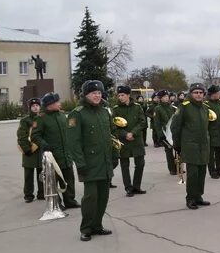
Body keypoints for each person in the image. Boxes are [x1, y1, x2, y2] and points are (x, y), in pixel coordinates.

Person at [67, 80, 115, 242]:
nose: (97, 96)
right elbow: (74, 143)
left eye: (99, 93)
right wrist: (80, 164)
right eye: (93, 93)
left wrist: (113, 155)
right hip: (89, 163)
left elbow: (110, 136)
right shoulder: (77, 114)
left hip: (105, 162)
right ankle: (86, 228)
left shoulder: (105, 112)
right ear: (86, 95)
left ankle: (97, 225)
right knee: (90, 198)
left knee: (103, 196)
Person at [32, 92, 80, 209]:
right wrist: (44, 145)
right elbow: (35, 136)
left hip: (66, 154)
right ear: (50, 105)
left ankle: (70, 201)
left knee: (69, 178)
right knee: (53, 180)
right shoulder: (41, 119)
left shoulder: (62, 115)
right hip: (52, 156)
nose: (60, 103)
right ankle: (57, 203)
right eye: (57, 102)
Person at [171, 83, 211, 210]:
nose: (198, 95)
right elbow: (175, 127)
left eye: (201, 92)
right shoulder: (184, 107)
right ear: (191, 94)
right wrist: (177, 144)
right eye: (196, 92)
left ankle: (199, 196)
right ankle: (190, 198)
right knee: (193, 174)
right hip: (190, 145)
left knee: (202, 172)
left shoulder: (205, 107)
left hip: (203, 145)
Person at [112, 85, 147, 197]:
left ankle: (137, 186)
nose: (120, 97)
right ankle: (128, 187)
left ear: (128, 95)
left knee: (140, 163)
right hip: (124, 141)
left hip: (136, 140)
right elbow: (114, 126)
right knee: (124, 165)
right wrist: (125, 134)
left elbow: (142, 122)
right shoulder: (116, 109)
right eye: (119, 95)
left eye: (122, 95)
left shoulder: (137, 107)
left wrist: (133, 133)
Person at [17, 98, 43, 203]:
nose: (35, 107)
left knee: (42, 174)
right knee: (28, 175)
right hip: (29, 150)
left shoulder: (43, 118)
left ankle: (42, 193)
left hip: (41, 150)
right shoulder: (25, 120)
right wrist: (27, 149)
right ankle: (28, 195)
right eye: (33, 106)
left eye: (37, 105)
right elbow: (21, 136)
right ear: (30, 108)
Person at [205, 85, 220, 179]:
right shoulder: (206, 105)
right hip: (211, 133)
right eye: (218, 93)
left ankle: (219, 169)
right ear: (212, 94)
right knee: (211, 155)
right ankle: (212, 171)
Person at [154, 90, 177, 175]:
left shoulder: (172, 107)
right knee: (169, 151)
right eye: (164, 97)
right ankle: (172, 168)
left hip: (173, 132)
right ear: (160, 98)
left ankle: (178, 167)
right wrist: (160, 135)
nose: (166, 98)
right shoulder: (158, 108)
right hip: (165, 133)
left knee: (178, 150)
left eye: (167, 96)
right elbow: (157, 123)